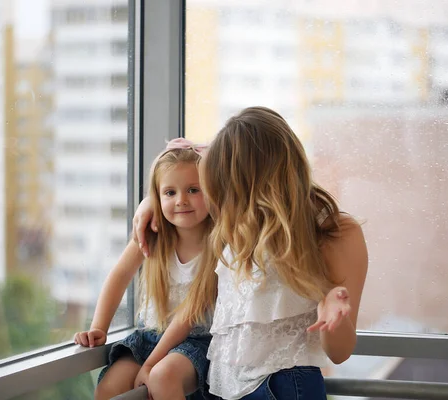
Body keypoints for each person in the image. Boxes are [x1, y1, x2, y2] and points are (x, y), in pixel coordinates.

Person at [132, 106, 368, 400]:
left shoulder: (333, 232)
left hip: (283, 387)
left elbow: (340, 352)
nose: (219, 198)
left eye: (225, 185)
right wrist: (150, 203)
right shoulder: (233, 225)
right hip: (222, 389)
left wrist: (333, 318)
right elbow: (183, 165)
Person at [74, 138, 218, 400]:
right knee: (107, 390)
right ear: (156, 197)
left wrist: (151, 363)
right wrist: (99, 328)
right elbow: (119, 276)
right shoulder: (153, 236)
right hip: (148, 336)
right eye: (170, 193)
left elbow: (189, 314)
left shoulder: (218, 245)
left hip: (196, 341)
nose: (181, 200)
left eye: (194, 190)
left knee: (164, 378)